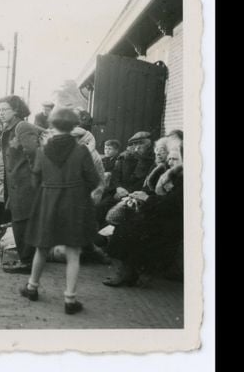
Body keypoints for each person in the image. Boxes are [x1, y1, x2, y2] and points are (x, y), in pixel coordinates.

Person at [20, 108, 101, 315]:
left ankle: (32, 287)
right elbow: (93, 180)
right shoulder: (82, 151)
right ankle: (70, 299)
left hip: (48, 201)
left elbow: (35, 178)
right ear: (74, 126)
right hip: (74, 204)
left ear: (51, 125)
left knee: (42, 247)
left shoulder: (42, 150)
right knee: (73, 252)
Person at [103, 141, 183, 287]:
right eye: (170, 158)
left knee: (131, 229)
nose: (171, 162)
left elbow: (173, 205)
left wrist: (147, 199)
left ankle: (127, 273)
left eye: (175, 159)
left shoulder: (183, 179)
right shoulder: (169, 174)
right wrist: (140, 196)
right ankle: (127, 272)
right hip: (158, 213)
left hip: (171, 221)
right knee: (127, 224)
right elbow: (157, 196)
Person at [0, 95, 38, 270]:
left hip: (25, 184)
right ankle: (25, 259)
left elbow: (34, 153)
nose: (1, 113)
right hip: (16, 184)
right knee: (19, 221)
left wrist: (31, 179)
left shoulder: (22, 126)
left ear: (16, 110)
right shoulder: (11, 128)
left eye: (4, 110)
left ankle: (26, 262)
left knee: (22, 222)